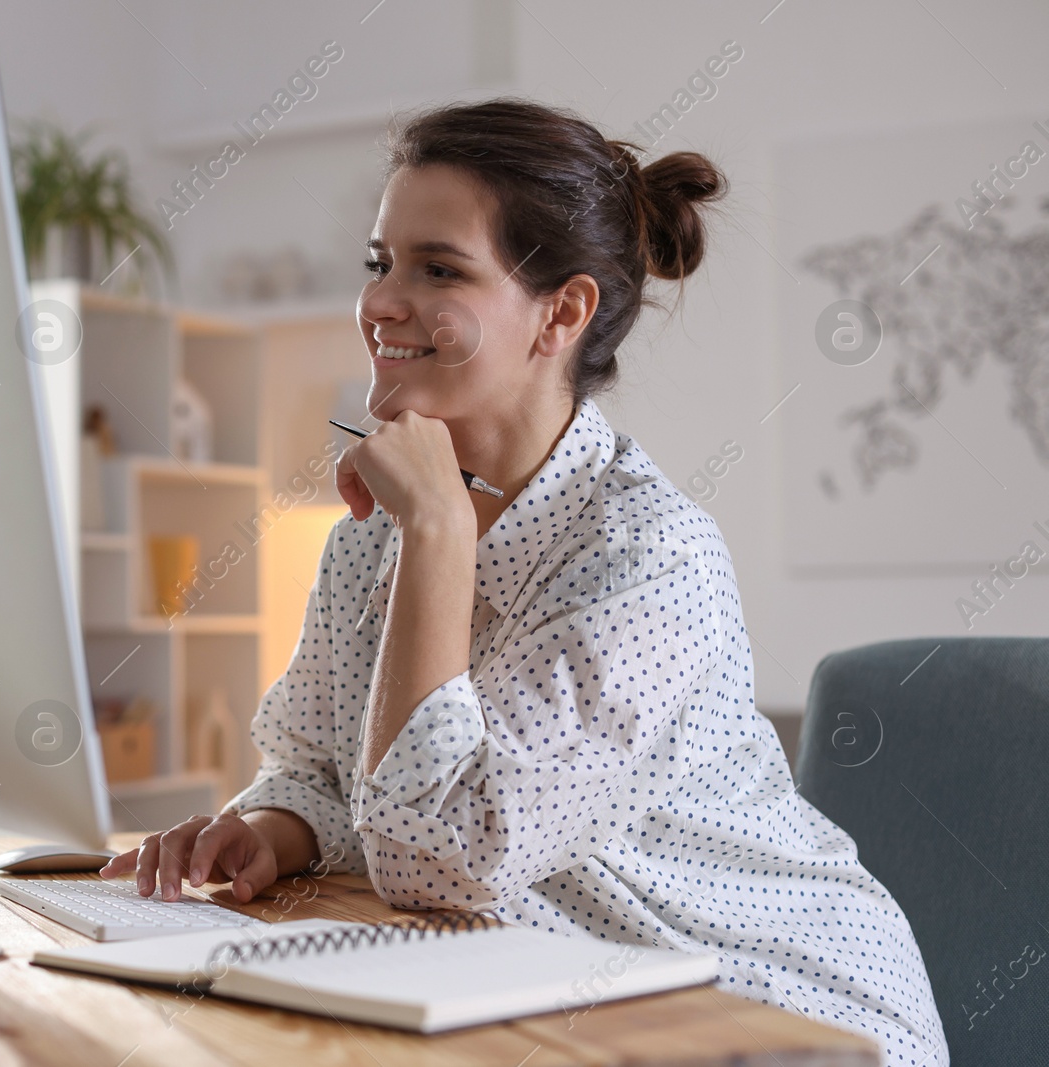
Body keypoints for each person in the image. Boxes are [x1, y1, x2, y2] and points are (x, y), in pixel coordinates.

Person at [100, 98, 947, 1066]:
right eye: (380, 262)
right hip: (538, 997)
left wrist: (437, 529)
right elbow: (323, 768)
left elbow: (437, 856)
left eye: (438, 268)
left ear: (563, 311)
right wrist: (273, 825)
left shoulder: (652, 556)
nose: (380, 302)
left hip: (764, 1011)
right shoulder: (372, 539)